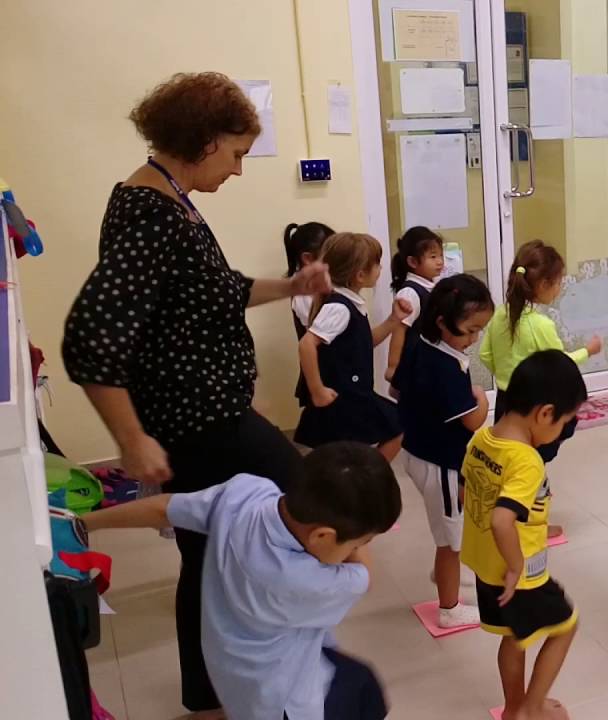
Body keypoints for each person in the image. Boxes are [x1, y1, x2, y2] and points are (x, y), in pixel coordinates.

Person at [61, 72, 330, 718]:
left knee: (208, 553)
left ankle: (213, 693)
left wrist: (292, 286)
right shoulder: (150, 216)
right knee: (303, 499)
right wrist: (131, 439)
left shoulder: (167, 196)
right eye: (236, 154)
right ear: (204, 140)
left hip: (211, 408)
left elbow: (218, 291)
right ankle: (270, 659)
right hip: (196, 422)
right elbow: (90, 337)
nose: (238, 170)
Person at [81, 442, 399, 720]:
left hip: (234, 670)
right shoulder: (302, 580)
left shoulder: (245, 494)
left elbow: (165, 508)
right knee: (363, 691)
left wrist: (83, 523)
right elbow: (365, 577)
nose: (357, 550)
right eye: (359, 544)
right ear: (322, 535)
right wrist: (359, 539)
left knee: (359, 681)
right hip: (284, 699)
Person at [460, 351, 587, 720]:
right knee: (566, 626)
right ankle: (531, 709)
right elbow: (502, 520)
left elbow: (465, 491)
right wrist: (516, 565)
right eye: (564, 422)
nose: (562, 431)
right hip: (520, 575)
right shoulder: (526, 460)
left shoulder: (482, 439)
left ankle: (514, 708)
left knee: (514, 635)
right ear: (545, 414)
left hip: (485, 567)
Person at [392, 273, 495, 628]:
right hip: (440, 462)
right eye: (469, 331)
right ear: (441, 321)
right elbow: (472, 421)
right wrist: (481, 398)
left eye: (479, 330)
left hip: (415, 450)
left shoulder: (419, 343)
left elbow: (395, 389)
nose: (474, 339)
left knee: (452, 524)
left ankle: (445, 572)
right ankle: (449, 608)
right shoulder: (446, 366)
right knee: (450, 539)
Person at [480, 240, 601, 538]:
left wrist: (506, 375)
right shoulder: (540, 325)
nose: (560, 288)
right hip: (535, 406)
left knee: (512, 458)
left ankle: (512, 508)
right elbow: (560, 364)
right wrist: (587, 351)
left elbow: (485, 355)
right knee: (531, 463)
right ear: (544, 284)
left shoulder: (500, 314)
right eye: (559, 282)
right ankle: (532, 522)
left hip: (507, 400)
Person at [295, 232, 408, 463]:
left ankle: (363, 475)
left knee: (354, 450)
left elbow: (364, 342)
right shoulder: (340, 308)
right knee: (396, 427)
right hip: (345, 398)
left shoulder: (350, 303)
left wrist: (393, 320)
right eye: (376, 264)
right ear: (359, 275)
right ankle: (368, 476)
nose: (380, 269)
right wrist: (317, 390)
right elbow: (306, 344)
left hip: (355, 394)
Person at [385, 226, 446, 381]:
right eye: (433, 257)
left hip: (430, 360)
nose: (440, 261)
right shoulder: (410, 293)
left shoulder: (431, 286)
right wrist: (393, 366)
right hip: (415, 365)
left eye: (441, 255)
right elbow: (399, 330)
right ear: (412, 261)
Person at [285, 221, 336, 405]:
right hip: (323, 375)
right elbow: (319, 334)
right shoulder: (304, 292)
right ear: (307, 258)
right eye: (330, 255)